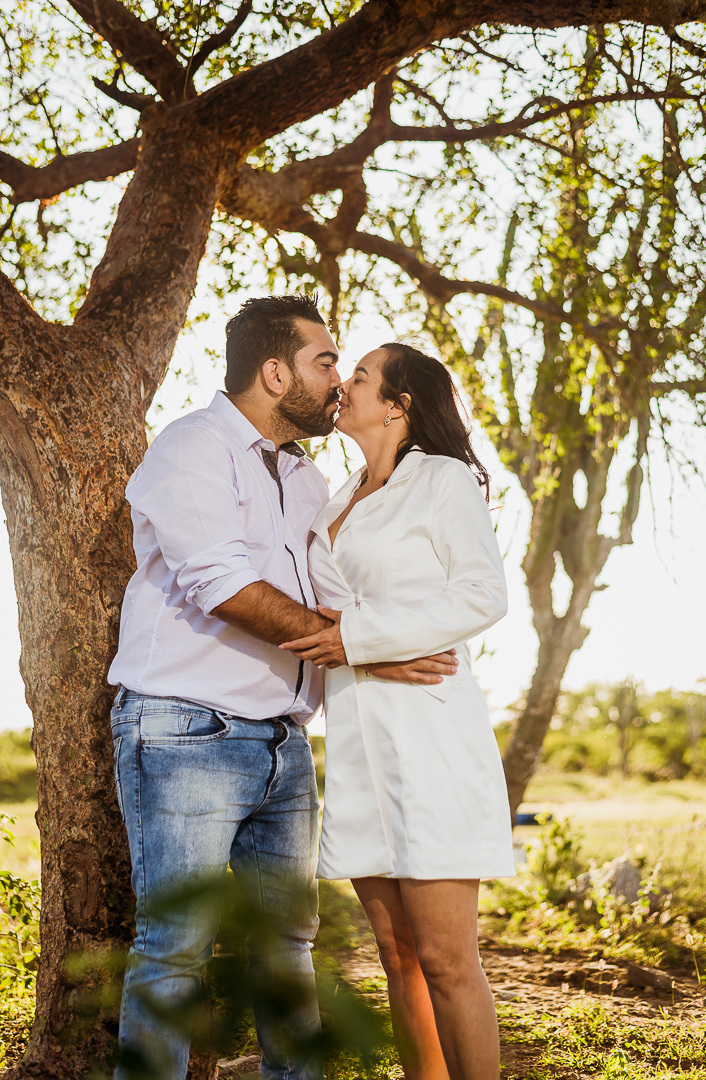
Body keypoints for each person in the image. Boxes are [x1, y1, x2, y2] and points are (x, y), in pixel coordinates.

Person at [107, 297, 459, 1080]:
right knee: (173, 947)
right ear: (275, 372)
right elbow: (222, 584)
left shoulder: (305, 478)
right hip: (184, 730)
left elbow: (337, 592)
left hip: (283, 740)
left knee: (289, 948)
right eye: (326, 361)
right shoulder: (191, 448)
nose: (339, 380)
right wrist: (356, 647)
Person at [281, 343, 516, 1080]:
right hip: (354, 742)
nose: (340, 385)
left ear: (397, 404)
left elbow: (482, 595)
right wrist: (363, 652)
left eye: (357, 377)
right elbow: (320, 621)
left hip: (430, 737)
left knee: (447, 960)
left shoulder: (442, 481)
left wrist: (358, 640)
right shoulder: (332, 499)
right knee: (398, 957)